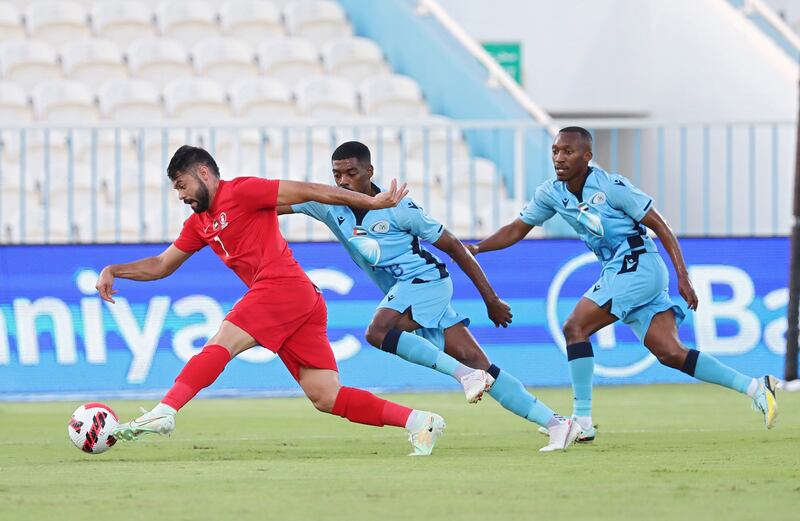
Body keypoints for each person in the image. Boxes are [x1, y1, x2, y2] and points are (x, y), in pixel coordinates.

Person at [95, 145, 447, 456]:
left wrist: (370, 202)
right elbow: (161, 265)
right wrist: (115, 269)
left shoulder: (245, 191)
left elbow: (311, 191)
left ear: (204, 174)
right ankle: (419, 421)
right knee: (326, 396)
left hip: (281, 287)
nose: (181, 195)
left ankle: (166, 410)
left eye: (182, 185)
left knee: (223, 341)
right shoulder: (198, 224)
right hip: (301, 300)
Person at [468, 126, 779, 442]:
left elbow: (660, 225)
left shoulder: (611, 186)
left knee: (575, 327)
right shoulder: (551, 192)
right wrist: (477, 248)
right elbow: (516, 229)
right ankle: (756, 387)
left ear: (587, 157)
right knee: (670, 352)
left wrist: (683, 276)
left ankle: (583, 421)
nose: (559, 158)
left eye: (568, 152)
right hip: (618, 269)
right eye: (555, 151)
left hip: (638, 264)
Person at [279, 141, 580, 452]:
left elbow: (454, 247)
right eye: (337, 175)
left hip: (427, 282)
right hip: (406, 295)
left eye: (351, 173)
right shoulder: (331, 206)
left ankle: (465, 376)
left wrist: (490, 299)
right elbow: (274, 203)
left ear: (369, 172)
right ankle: (558, 424)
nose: (343, 182)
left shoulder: (400, 209)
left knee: (378, 332)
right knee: (482, 365)